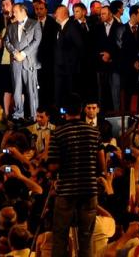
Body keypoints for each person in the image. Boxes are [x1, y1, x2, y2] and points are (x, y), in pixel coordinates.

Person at [47, 95, 105, 257]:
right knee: (86, 237)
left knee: (60, 236)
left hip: (66, 191)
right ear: (81, 110)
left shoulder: (58, 133)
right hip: (89, 190)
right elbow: (102, 164)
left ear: (65, 111)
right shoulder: (94, 132)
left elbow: (52, 166)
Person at [4, 2, 41, 121]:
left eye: (14, 11)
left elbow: (36, 41)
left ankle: (34, 115)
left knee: (31, 89)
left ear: (23, 11)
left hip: (29, 61)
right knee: (16, 90)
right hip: (16, 62)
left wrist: (24, 53)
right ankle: (18, 114)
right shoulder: (11, 26)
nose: (12, 14)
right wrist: (15, 53)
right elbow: (7, 42)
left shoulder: (34, 24)